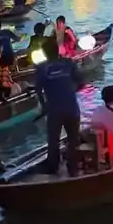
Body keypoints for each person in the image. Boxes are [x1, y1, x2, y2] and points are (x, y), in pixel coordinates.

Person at [34, 39, 82, 176]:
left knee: (53, 139)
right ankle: (73, 167)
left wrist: (44, 106)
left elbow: (38, 89)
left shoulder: (41, 68)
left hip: (54, 109)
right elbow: (80, 81)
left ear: (44, 53)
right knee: (73, 138)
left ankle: (53, 167)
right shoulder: (68, 63)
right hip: (72, 107)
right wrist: (70, 91)